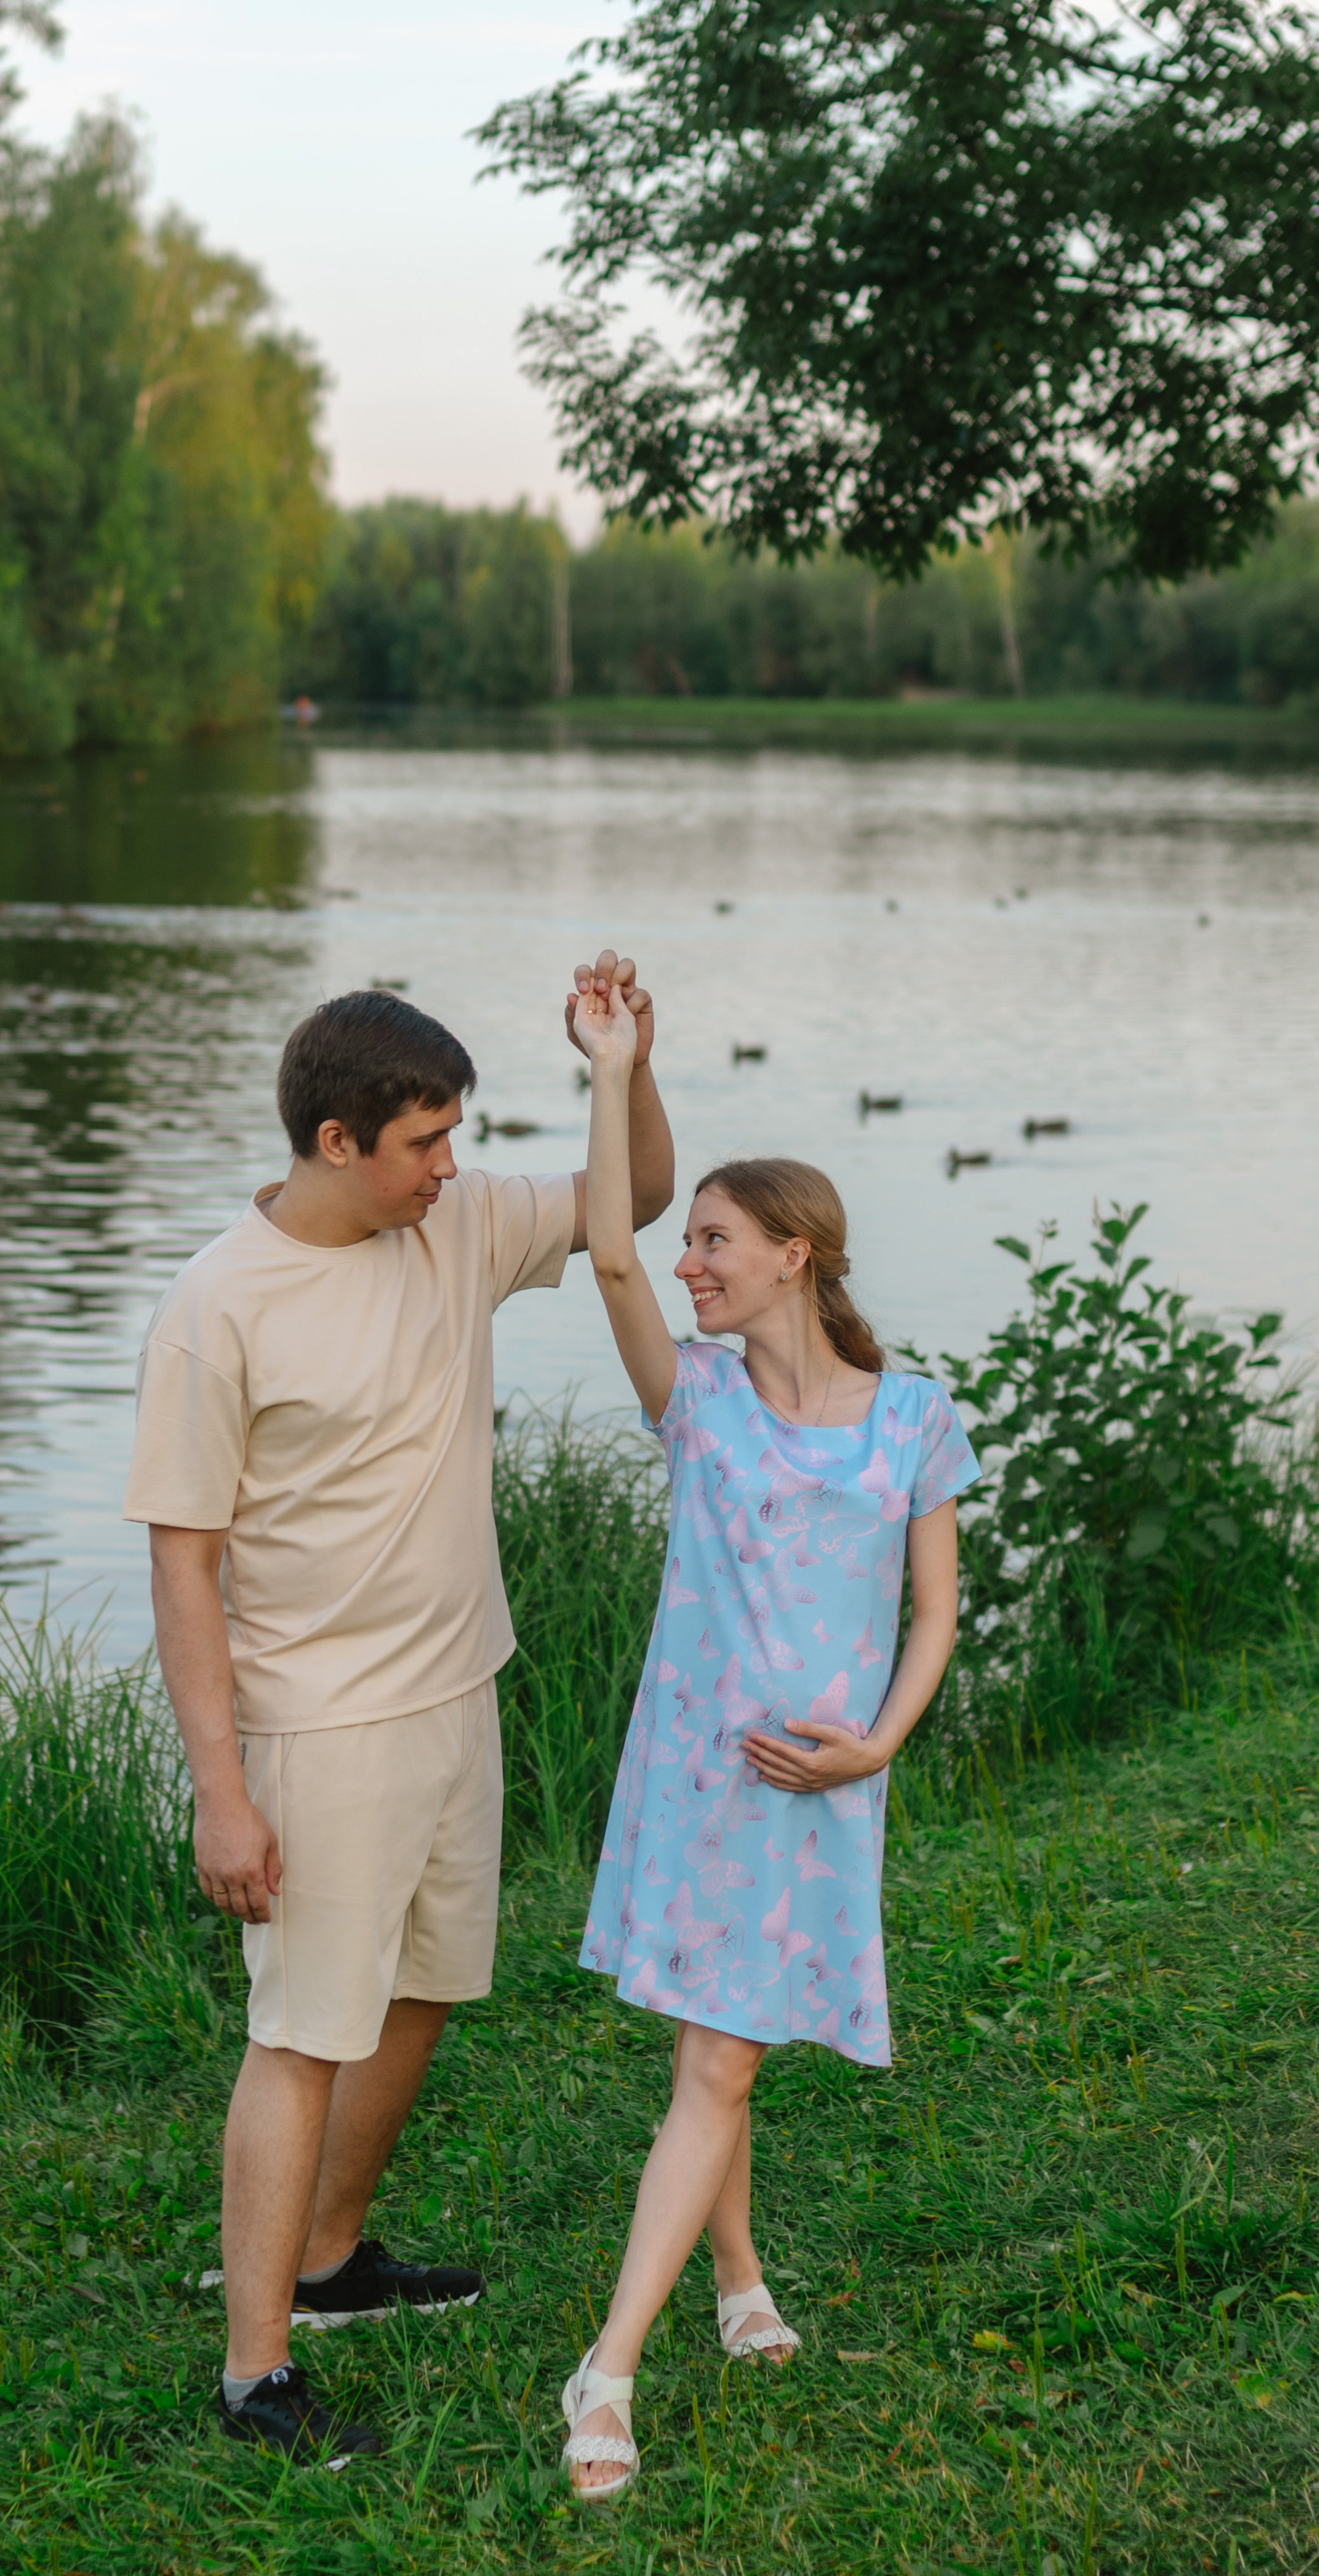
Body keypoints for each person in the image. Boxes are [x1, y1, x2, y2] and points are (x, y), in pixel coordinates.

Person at [125, 964, 674, 2463]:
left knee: (424, 1987)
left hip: (456, 1690)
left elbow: (629, 1200)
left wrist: (622, 1065)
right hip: (318, 1729)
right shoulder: (215, 1308)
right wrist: (219, 1789)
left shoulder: (456, 1225)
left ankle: (327, 2264)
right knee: (301, 2033)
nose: (452, 1166)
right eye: (425, 1142)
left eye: (454, 1136)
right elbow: (184, 1566)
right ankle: (253, 2380)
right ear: (333, 1143)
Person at [557, 968, 979, 2501]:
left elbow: (932, 1615)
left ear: (792, 1254)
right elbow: (601, 1246)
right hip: (695, 1780)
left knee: (715, 2052)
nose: (685, 1266)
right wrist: (615, 1071)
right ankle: (606, 2375)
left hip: (824, 1786)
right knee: (716, 2055)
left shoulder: (913, 1416)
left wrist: (878, 1746)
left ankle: (734, 2289)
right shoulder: (700, 1405)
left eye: (715, 1243)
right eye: (689, 1245)